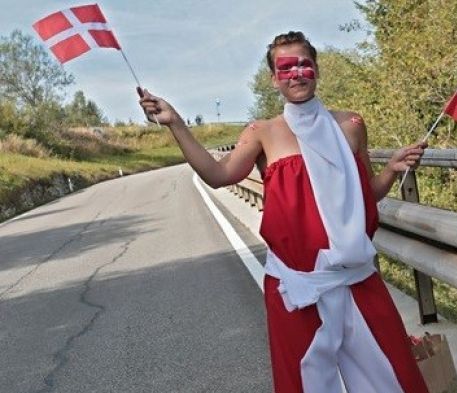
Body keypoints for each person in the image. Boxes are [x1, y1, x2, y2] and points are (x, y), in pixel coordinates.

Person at [139, 31, 429, 393]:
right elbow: (218, 175)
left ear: (316, 70)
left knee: (393, 378)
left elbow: (365, 196)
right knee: (305, 384)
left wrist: (391, 170)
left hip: (357, 279)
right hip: (297, 285)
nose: (297, 73)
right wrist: (176, 124)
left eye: (304, 64)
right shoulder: (263, 133)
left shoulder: (351, 125)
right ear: (274, 78)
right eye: (286, 67)